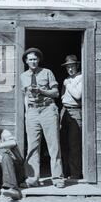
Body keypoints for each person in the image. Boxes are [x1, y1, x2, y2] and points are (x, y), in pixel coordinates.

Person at [20, 48, 65, 188]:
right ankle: (32, 179)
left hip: (47, 109)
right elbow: (25, 96)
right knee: (32, 146)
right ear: (26, 61)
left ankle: (57, 178)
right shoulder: (23, 76)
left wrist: (42, 91)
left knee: (53, 145)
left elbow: (56, 93)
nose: (33, 61)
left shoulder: (47, 72)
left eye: (35, 59)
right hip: (33, 112)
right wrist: (27, 112)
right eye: (30, 59)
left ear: (38, 60)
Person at [60, 55, 82, 179]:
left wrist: (68, 84)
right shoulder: (67, 79)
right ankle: (66, 172)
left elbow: (78, 95)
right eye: (68, 67)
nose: (70, 69)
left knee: (74, 144)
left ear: (77, 66)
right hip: (64, 110)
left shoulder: (81, 77)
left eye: (72, 66)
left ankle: (75, 174)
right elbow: (62, 96)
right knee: (63, 143)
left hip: (76, 111)